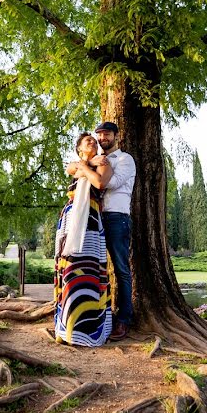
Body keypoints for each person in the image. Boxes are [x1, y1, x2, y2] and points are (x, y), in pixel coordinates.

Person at [53, 133, 114, 346]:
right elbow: (70, 168)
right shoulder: (78, 165)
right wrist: (86, 163)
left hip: (90, 220)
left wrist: (86, 166)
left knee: (87, 270)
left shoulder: (103, 164)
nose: (94, 142)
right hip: (70, 221)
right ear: (79, 148)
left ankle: (87, 331)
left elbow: (98, 182)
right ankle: (67, 328)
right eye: (88, 141)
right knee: (69, 269)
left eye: (95, 142)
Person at [80, 121, 136, 341]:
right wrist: (89, 164)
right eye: (100, 134)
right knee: (97, 268)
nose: (103, 138)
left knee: (121, 269)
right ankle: (102, 314)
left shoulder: (125, 159)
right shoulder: (97, 161)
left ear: (115, 136)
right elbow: (73, 169)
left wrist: (93, 168)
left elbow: (112, 183)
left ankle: (124, 320)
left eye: (107, 134)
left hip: (117, 217)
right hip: (95, 218)